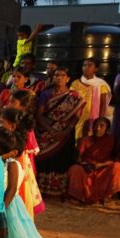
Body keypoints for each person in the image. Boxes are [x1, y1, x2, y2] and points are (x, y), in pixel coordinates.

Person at [35, 66, 86, 195]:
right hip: (45, 132)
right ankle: (41, 188)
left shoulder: (74, 96)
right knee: (44, 160)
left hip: (64, 134)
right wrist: (50, 130)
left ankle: (58, 189)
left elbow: (76, 116)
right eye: (57, 75)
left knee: (60, 160)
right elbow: (39, 115)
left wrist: (66, 130)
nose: (59, 78)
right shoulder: (46, 93)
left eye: (62, 75)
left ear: (68, 78)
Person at [66, 117, 120, 204]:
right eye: (96, 125)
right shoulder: (85, 140)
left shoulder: (112, 140)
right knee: (75, 169)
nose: (98, 128)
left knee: (119, 167)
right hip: (88, 169)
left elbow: (115, 158)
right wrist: (85, 165)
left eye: (102, 126)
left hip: (104, 169)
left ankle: (107, 197)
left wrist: (100, 165)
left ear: (107, 129)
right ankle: (77, 196)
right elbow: (77, 159)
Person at [70, 58, 111, 142]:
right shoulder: (75, 83)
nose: (86, 67)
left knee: (90, 142)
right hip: (77, 118)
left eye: (89, 65)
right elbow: (70, 101)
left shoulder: (100, 84)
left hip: (93, 118)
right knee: (77, 142)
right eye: (84, 65)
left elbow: (103, 104)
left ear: (96, 69)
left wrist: (100, 119)